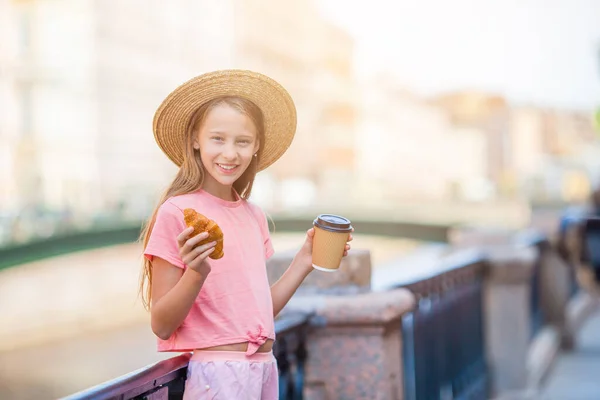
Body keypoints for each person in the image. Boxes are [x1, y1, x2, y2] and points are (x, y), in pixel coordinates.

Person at [138, 70, 353, 399]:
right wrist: (196, 273)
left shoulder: (253, 216)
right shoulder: (176, 213)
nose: (230, 153)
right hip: (219, 375)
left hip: (265, 367)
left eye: (242, 141)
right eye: (217, 139)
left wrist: (303, 262)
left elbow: (257, 315)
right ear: (195, 139)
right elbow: (162, 324)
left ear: (256, 147)